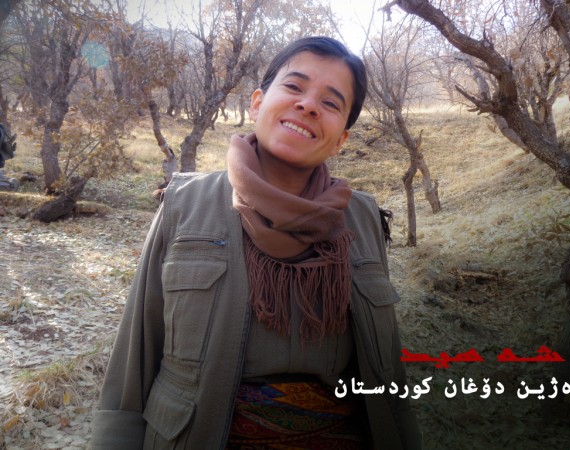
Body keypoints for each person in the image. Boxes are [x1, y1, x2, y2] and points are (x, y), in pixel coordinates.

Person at [90, 36, 421, 450]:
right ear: (257, 104)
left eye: (331, 103)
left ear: (341, 139)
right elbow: (136, 351)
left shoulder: (363, 218)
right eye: (294, 86)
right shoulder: (185, 204)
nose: (308, 105)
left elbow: (387, 372)